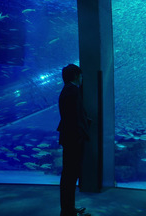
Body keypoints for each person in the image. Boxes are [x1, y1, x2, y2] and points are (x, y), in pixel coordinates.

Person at [57, 64, 91, 216]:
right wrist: (81, 134)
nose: (82, 78)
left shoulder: (65, 91)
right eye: (81, 76)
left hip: (68, 137)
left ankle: (68, 208)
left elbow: (70, 115)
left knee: (68, 176)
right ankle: (68, 210)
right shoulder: (74, 91)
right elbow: (75, 117)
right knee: (71, 175)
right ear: (76, 76)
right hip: (74, 139)